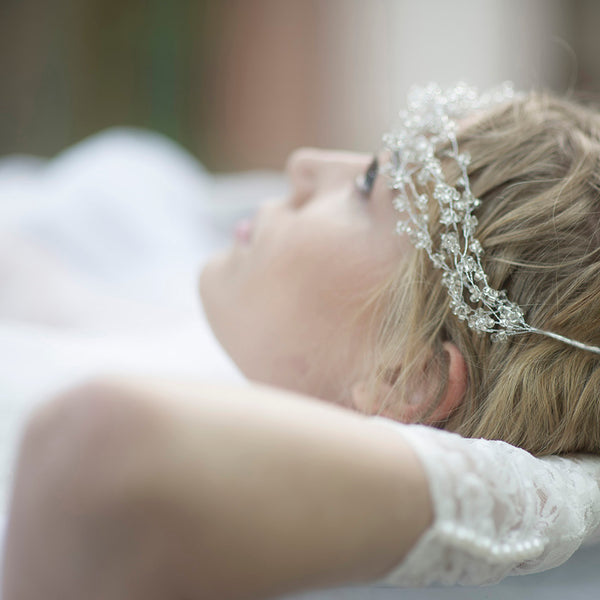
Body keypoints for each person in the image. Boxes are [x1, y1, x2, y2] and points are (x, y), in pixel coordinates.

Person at [2, 83, 600, 600]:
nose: (305, 164)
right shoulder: (206, 333)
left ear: (406, 376)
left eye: (367, 185)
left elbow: (105, 438)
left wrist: (550, 495)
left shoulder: (157, 465)